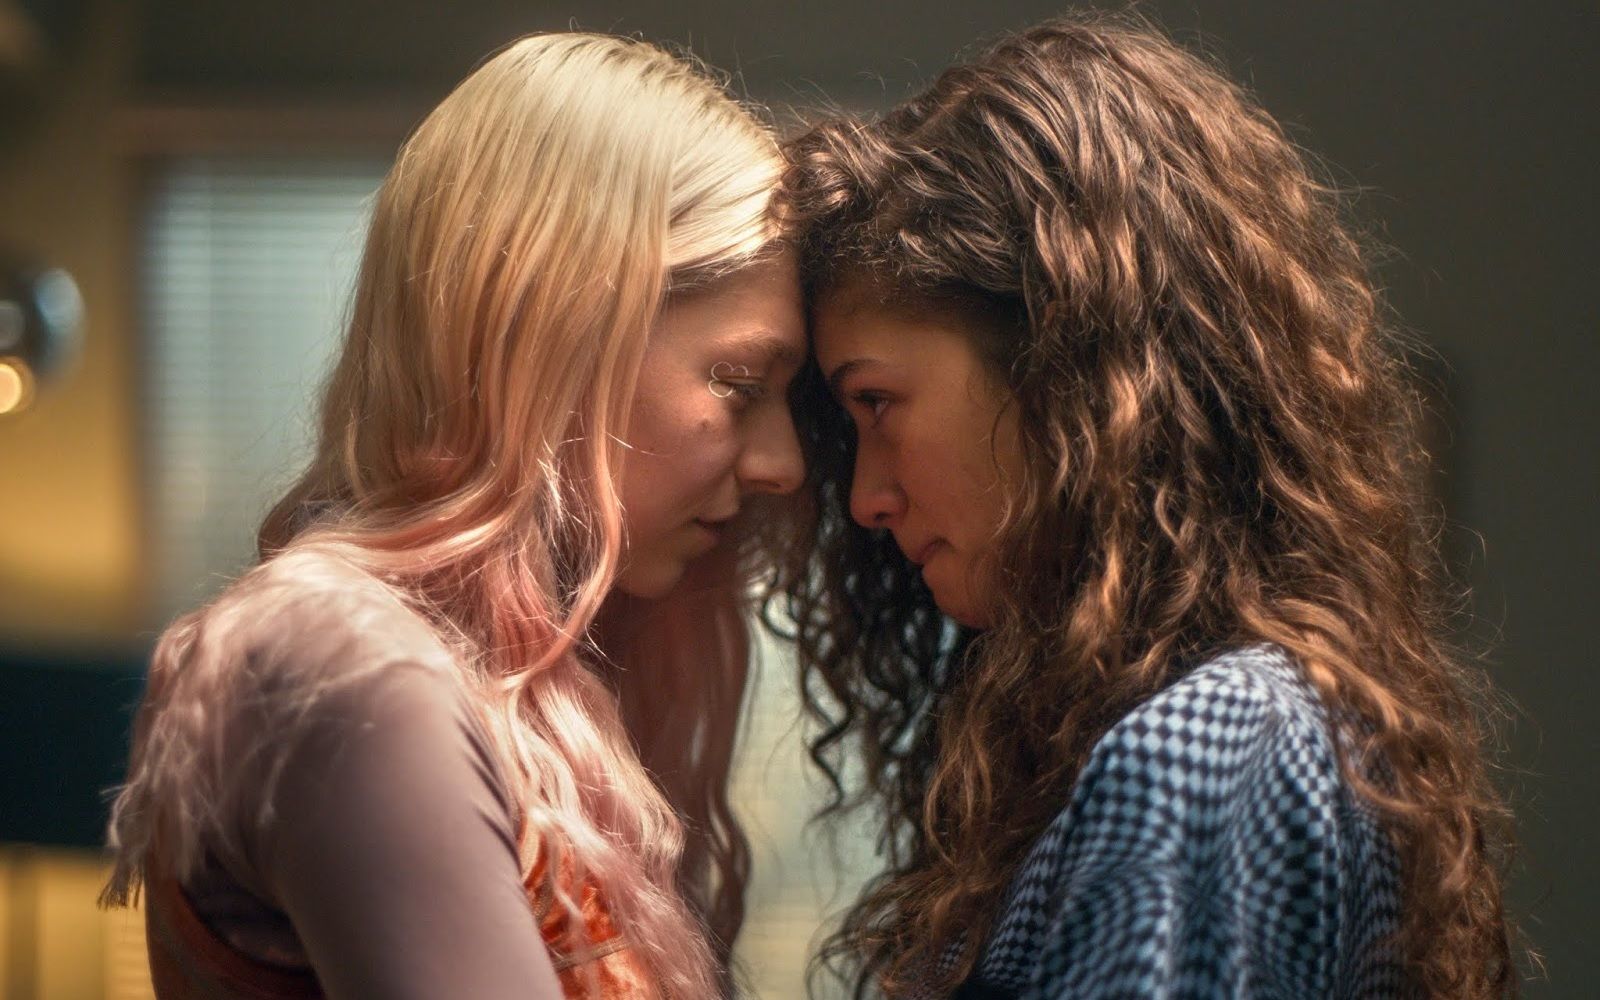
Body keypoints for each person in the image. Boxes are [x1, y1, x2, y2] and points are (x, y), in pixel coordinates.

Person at [773, 13, 1515, 1000]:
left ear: (1062, 371)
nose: (866, 498)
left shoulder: (1203, 745)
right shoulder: (1248, 718)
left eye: (875, 401)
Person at [103, 32, 805, 1000]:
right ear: (552, 333)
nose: (784, 464)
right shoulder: (349, 665)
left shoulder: (512, 680)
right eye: (739, 382)